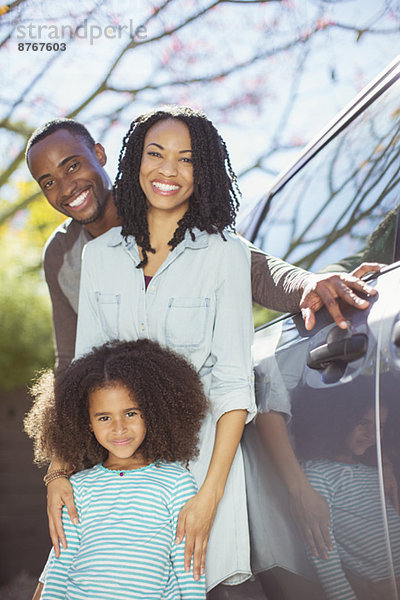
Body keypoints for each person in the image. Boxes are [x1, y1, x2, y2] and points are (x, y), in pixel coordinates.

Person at [25, 115, 381, 595]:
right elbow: (74, 362)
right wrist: (60, 468)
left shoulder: (167, 200)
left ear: (102, 157)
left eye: (72, 166)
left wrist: (306, 283)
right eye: (48, 181)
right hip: (128, 445)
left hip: (213, 425)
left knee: (247, 565)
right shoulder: (68, 254)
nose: (66, 186)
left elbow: (252, 269)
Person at [24, 338, 208, 599]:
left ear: (151, 412)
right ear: (87, 423)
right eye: (104, 417)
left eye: (131, 413)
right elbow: (60, 563)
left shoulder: (176, 483)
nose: (119, 428)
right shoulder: (77, 487)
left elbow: (187, 568)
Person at [292, 396, 400, 600]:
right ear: (339, 421)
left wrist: (386, 465)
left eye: (380, 427)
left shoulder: (375, 469)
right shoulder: (319, 474)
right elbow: (323, 553)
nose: (372, 434)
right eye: (363, 423)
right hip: (382, 588)